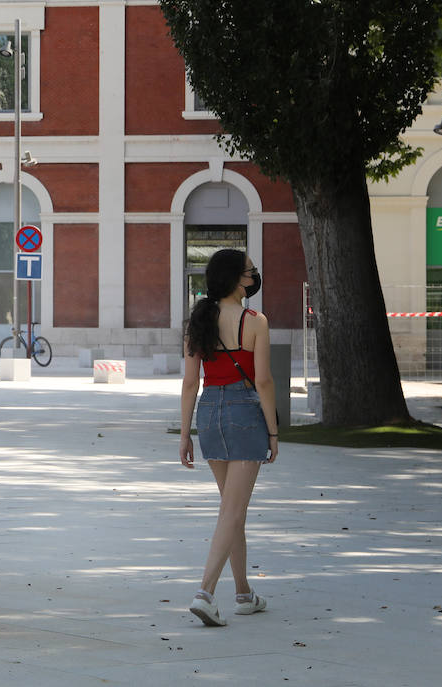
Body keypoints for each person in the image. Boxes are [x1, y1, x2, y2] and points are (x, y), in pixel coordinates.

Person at [179, 248, 279, 626]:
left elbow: (190, 383)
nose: (254, 275)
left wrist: (185, 433)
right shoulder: (255, 321)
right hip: (244, 413)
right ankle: (205, 592)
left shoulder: (199, 320)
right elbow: (265, 382)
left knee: (231, 509)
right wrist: (273, 431)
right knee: (232, 510)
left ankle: (243, 592)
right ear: (238, 278)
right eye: (251, 270)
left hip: (208, 414)